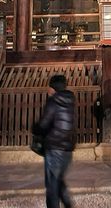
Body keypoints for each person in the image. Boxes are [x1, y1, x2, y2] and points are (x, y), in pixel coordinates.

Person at [34, 74, 75, 208]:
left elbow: (44, 124)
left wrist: (35, 128)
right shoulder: (70, 101)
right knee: (58, 180)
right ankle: (68, 204)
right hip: (67, 147)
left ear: (53, 87)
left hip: (54, 146)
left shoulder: (53, 101)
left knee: (52, 184)